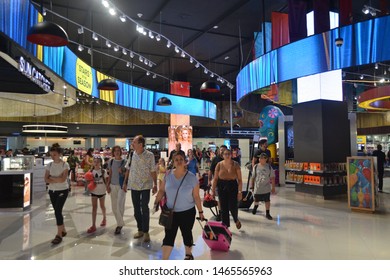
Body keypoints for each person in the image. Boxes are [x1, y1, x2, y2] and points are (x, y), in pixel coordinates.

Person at [154, 151, 205, 260]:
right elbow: (162, 190)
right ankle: (164, 260)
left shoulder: (191, 177)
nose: (179, 161)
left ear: (185, 161)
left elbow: (196, 196)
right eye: (176, 159)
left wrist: (201, 212)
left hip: (187, 212)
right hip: (170, 212)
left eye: (181, 159)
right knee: (169, 236)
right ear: (173, 161)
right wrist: (156, 202)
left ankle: (188, 254)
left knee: (187, 233)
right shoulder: (168, 175)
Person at [123, 135, 157, 243]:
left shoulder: (150, 155)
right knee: (136, 209)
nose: (132, 144)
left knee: (144, 207)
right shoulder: (132, 154)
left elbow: (153, 170)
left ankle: (146, 231)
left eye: (134, 142)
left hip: (145, 185)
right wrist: (124, 182)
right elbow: (128, 168)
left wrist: (155, 184)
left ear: (141, 144)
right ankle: (140, 229)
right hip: (134, 185)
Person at [44, 143, 70, 245]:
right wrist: (56, 179)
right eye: (51, 154)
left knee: (58, 211)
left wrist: (52, 178)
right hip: (52, 191)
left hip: (63, 190)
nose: (52, 156)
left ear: (59, 154)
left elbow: (63, 179)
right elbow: (46, 179)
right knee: (57, 210)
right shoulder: (49, 165)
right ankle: (63, 230)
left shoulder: (65, 165)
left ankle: (59, 234)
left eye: (54, 154)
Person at [211, 149, 243, 229]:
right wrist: (213, 191)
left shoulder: (236, 164)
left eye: (229, 154)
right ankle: (225, 226)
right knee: (223, 207)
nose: (227, 155)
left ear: (231, 155)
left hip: (233, 186)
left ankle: (236, 219)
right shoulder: (219, 164)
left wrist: (240, 191)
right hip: (222, 186)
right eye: (225, 154)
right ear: (223, 155)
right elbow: (215, 179)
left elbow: (239, 180)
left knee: (233, 206)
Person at [106, 146, 127, 235]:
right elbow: (110, 173)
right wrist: (108, 184)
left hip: (121, 186)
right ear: (113, 152)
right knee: (114, 206)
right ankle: (120, 222)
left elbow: (127, 174)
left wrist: (122, 173)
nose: (117, 152)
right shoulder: (111, 161)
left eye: (118, 151)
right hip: (113, 185)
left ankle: (119, 225)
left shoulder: (124, 162)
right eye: (115, 151)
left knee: (120, 205)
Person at [250, 153, 276, 219]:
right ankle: (255, 207)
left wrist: (273, 188)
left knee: (267, 200)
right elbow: (253, 177)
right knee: (256, 200)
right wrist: (251, 186)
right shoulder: (255, 167)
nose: (260, 159)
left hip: (266, 188)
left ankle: (267, 213)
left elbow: (272, 178)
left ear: (266, 159)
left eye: (262, 158)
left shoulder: (269, 167)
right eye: (259, 158)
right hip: (257, 188)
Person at [86, 157, 108, 233]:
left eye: (97, 162)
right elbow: (88, 181)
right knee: (94, 208)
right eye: (94, 162)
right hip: (94, 192)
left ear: (100, 163)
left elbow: (107, 180)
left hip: (102, 191)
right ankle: (93, 225)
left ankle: (104, 218)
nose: (96, 163)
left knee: (102, 206)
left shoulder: (103, 171)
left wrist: (108, 188)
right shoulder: (91, 171)